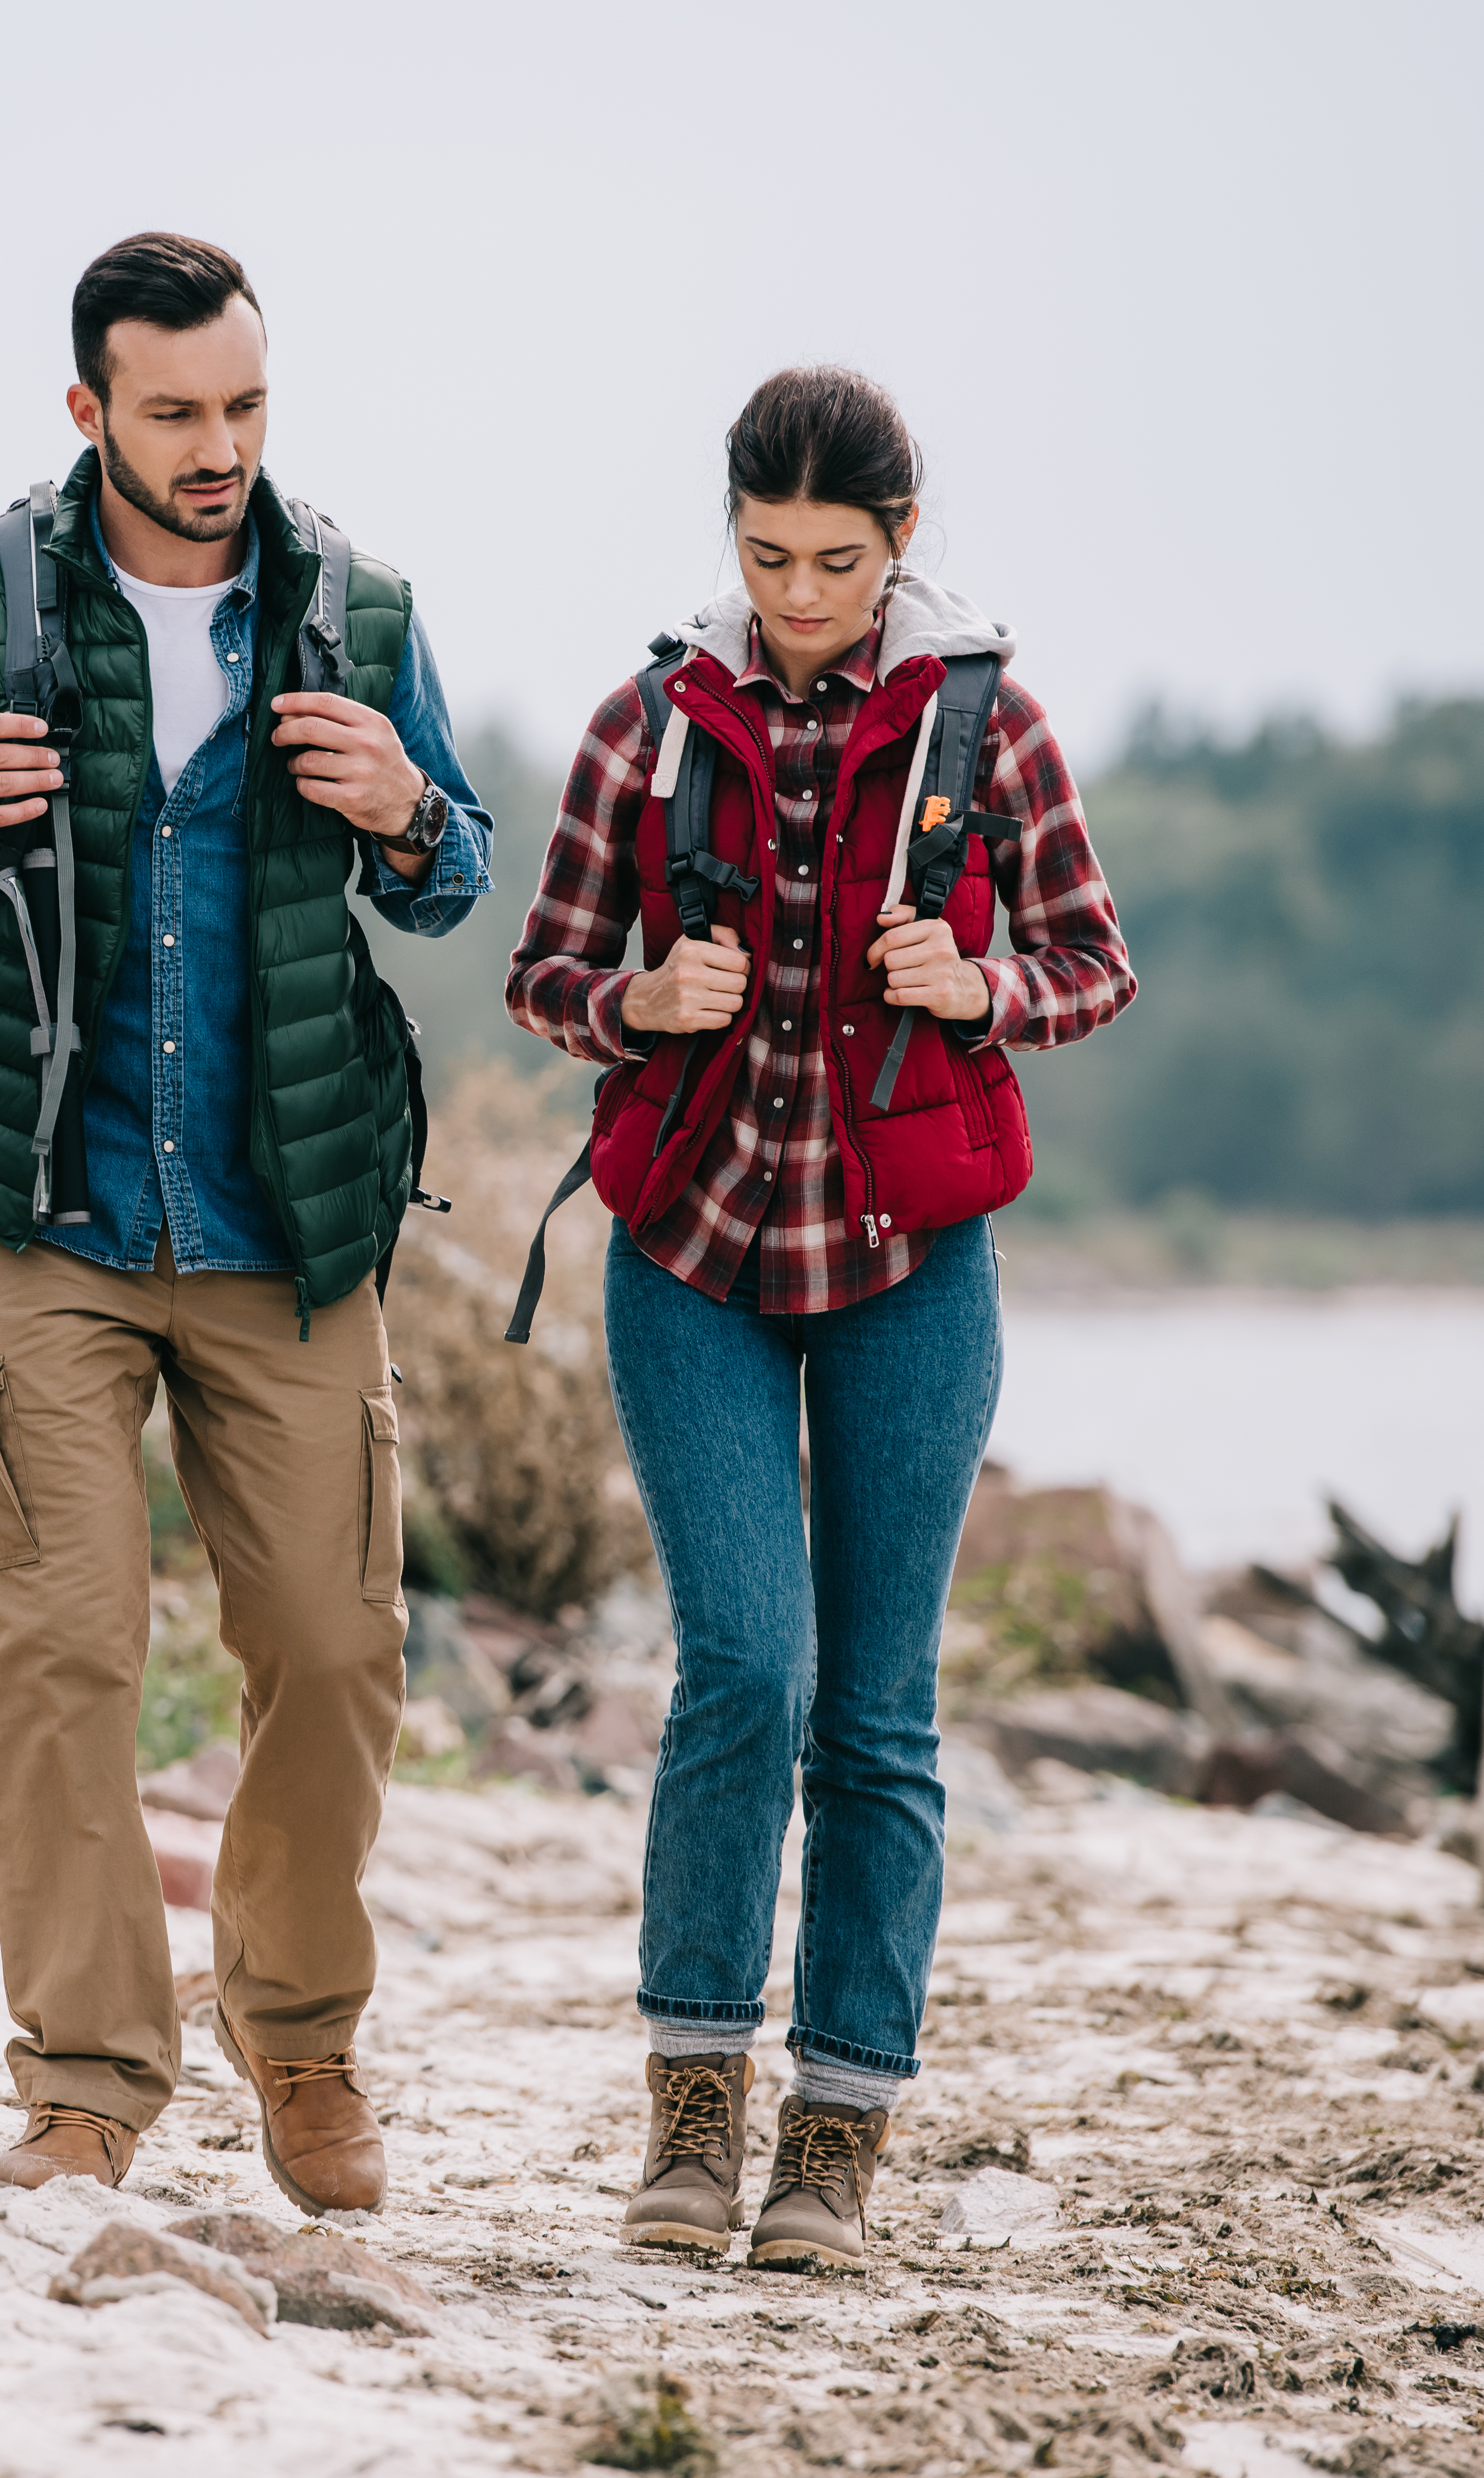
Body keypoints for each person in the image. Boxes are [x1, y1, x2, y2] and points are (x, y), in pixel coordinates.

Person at [0, 232, 494, 2211]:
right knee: (61, 1651)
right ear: (87, 409)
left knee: (338, 1650)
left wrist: (411, 818)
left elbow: (458, 873)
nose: (217, 447)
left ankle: (303, 2046)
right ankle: (85, 2080)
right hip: (42, 1205)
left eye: (245, 407)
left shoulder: (356, 605)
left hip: (289, 1209)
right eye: (173, 412)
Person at [503, 367, 1134, 2269]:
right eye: (767, 556)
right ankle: (693, 2114)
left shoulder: (990, 724)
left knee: (876, 1717)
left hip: (913, 1270)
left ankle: (838, 2142)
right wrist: (641, 1010)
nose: (796, 593)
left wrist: (981, 981)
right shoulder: (647, 720)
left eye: (835, 562)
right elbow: (545, 973)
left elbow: (1099, 966)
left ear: (902, 544)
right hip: (688, 1251)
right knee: (743, 1676)